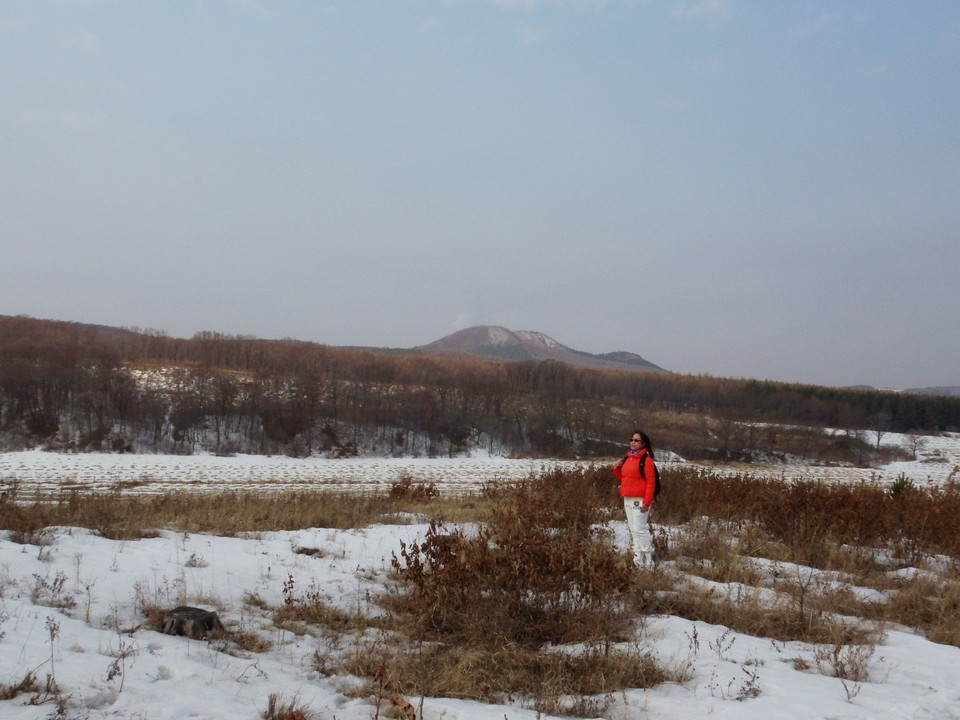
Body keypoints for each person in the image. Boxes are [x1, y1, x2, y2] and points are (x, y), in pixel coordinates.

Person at [612, 430, 657, 568]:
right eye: (631, 439)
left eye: (636, 440)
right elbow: (624, 479)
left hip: (640, 499)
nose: (633, 442)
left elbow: (651, 482)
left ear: (643, 443)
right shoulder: (627, 458)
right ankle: (638, 559)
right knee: (633, 529)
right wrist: (616, 468)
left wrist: (647, 502)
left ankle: (649, 560)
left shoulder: (646, 460)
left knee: (640, 529)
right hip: (628, 497)